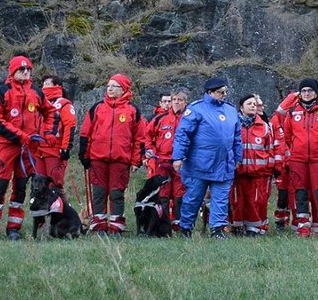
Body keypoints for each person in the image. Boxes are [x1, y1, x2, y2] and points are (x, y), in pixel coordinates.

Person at [0, 53, 53, 241]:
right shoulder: (2, 91)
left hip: (28, 148)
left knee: (21, 188)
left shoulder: (37, 92)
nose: (25, 72)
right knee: (0, 186)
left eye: (28, 69)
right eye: (21, 69)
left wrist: (46, 132)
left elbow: (50, 112)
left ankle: (14, 227)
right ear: (13, 71)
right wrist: (20, 136)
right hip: (7, 146)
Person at [172, 76, 241, 238]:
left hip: (224, 164)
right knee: (193, 198)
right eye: (220, 92)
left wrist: (238, 158)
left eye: (226, 91)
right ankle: (186, 228)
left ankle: (217, 230)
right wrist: (178, 157)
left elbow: (237, 137)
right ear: (210, 93)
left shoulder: (231, 110)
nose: (224, 95)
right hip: (199, 163)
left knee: (220, 199)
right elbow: (183, 134)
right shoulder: (196, 109)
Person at [272, 77, 318, 237]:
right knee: (300, 192)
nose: (307, 93)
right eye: (303, 91)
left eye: (310, 90)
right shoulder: (292, 112)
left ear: (315, 92)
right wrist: (297, 149)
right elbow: (288, 136)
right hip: (298, 160)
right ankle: (303, 226)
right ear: (300, 93)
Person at [79, 74, 145, 234]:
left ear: (123, 90)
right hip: (97, 158)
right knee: (99, 192)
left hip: (121, 160)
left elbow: (140, 139)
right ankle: (99, 226)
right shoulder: (97, 108)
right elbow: (85, 133)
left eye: (114, 86)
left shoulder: (132, 111)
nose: (109, 89)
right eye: (108, 85)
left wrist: (136, 161)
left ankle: (116, 227)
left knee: (116, 193)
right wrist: (84, 155)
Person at [229, 94, 277, 235]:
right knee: (237, 201)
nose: (253, 106)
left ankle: (254, 228)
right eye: (249, 103)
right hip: (238, 171)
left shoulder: (264, 126)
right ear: (241, 107)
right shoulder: (233, 124)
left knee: (256, 201)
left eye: (255, 104)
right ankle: (237, 227)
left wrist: (269, 169)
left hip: (259, 172)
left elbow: (270, 149)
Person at [144, 89, 188, 222]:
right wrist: (149, 149)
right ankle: (163, 223)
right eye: (174, 100)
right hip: (162, 162)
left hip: (182, 163)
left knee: (180, 193)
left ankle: (178, 223)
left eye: (179, 100)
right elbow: (147, 135)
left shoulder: (190, 118)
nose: (175, 103)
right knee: (163, 193)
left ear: (185, 102)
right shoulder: (160, 119)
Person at [39, 74, 76, 190]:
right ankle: (43, 208)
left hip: (55, 149)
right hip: (39, 149)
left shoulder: (64, 104)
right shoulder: (39, 104)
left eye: (48, 84)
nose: (44, 87)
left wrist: (66, 147)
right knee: (39, 185)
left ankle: (60, 208)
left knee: (55, 184)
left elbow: (69, 125)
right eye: (43, 84)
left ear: (57, 86)